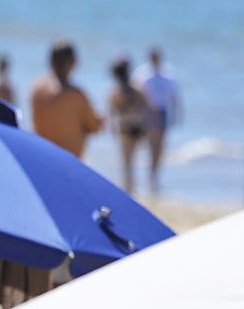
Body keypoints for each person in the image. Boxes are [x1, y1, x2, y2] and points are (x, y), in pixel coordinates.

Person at [28, 41, 102, 158]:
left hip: (43, 156)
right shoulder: (75, 95)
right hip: (70, 161)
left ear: (50, 61)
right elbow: (94, 127)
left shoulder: (37, 90)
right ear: (72, 63)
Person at [135, 47, 181, 193]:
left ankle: (154, 177)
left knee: (159, 147)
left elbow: (173, 96)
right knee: (151, 145)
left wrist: (176, 114)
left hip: (162, 111)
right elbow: (136, 94)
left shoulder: (167, 73)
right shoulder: (143, 73)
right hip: (149, 113)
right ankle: (150, 177)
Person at [107, 56, 151, 195]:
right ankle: (132, 189)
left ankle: (129, 189)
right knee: (132, 160)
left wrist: (113, 130)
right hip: (137, 126)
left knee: (127, 162)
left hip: (126, 128)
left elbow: (112, 114)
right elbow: (146, 108)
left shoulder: (115, 93)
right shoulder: (136, 89)